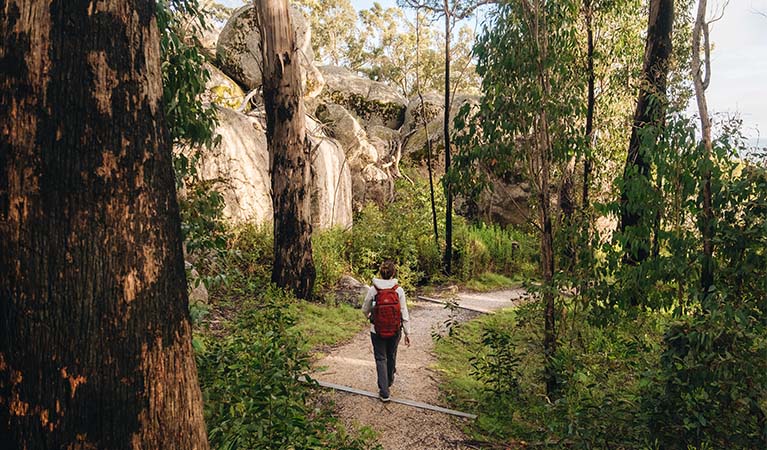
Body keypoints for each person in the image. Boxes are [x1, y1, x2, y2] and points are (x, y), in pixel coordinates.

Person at [362, 260, 411, 402]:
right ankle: (389, 380)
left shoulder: (373, 290)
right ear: (393, 273)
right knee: (391, 355)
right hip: (395, 329)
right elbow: (404, 312)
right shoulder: (398, 290)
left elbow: (365, 308)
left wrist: (369, 316)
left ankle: (384, 391)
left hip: (377, 329)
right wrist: (407, 333)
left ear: (380, 273)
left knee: (380, 358)